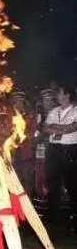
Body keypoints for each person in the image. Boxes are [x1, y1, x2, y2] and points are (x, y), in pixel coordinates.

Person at [43, 85, 77, 234]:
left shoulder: (76, 110)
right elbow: (45, 128)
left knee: (72, 185)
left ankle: (75, 218)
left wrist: (56, 127)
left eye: (60, 93)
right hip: (54, 150)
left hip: (70, 150)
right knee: (53, 185)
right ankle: (52, 220)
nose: (57, 96)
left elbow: (72, 128)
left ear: (67, 95)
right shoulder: (53, 111)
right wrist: (63, 127)